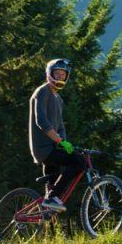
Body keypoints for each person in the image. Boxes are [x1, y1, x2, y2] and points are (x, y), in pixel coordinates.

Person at [29, 58, 85, 212]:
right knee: (79, 162)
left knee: (51, 195)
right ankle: (53, 197)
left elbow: (60, 127)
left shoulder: (58, 99)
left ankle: (45, 211)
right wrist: (60, 141)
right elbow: (42, 122)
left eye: (63, 74)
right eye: (57, 74)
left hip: (54, 147)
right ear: (49, 74)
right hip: (44, 149)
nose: (60, 77)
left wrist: (65, 143)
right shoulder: (42, 91)